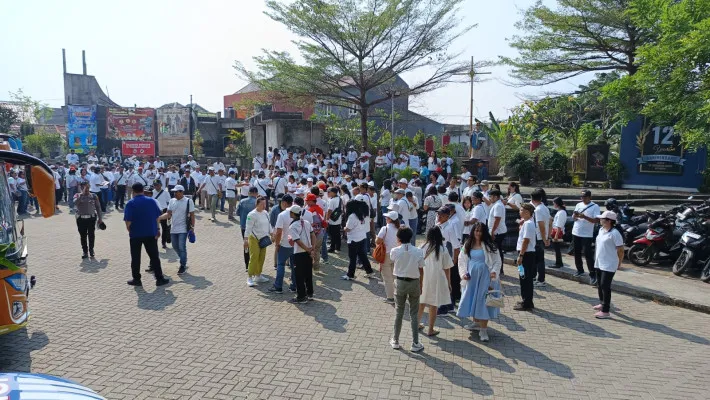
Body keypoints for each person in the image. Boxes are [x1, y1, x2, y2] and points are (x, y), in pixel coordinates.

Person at [457, 222, 502, 342]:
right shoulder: (468, 244)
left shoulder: (490, 245)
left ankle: (483, 330)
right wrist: (463, 273)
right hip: (472, 278)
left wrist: (494, 272)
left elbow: (497, 261)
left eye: (480, 231)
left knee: (483, 302)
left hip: (485, 278)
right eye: (476, 230)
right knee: (473, 300)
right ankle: (476, 323)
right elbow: (461, 260)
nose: (478, 233)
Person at [124, 183, 170, 287]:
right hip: (150, 233)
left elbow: (128, 221)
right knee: (154, 257)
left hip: (135, 234)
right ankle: (159, 279)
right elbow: (158, 216)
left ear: (133, 191)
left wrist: (129, 229)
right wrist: (157, 229)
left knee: (135, 257)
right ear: (142, 190)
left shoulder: (130, 203)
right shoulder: (152, 201)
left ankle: (136, 279)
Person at [389, 227, 425, 352]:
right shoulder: (418, 251)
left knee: (399, 312)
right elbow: (421, 268)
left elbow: (393, 260)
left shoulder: (394, 251)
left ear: (398, 238)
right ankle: (415, 342)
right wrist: (421, 284)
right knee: (414, 313)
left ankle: (395, 340)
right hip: (414, 282)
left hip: (400, 282)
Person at [417, 226, 453, 337]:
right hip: (437, 279)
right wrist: (449, 283)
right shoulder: (442, 249)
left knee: (421, 302)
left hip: (423, 278)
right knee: (434, 304)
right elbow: (447, 268)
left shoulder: (421, 247)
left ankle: (416, 324)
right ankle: (430, 329)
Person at [593, 210, 624, 319]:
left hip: (609, 264)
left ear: (609, 221)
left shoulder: (615, 233)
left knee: (605, 286)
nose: (600, 220)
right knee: (600, 285)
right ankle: (602, 303)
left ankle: (606, 311)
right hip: (599, 262)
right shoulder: (601, 230)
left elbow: (620, 250)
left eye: (602, 219)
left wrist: (619, 263)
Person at [162, 185, 195, 274]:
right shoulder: (172, 201)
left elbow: (192, 215)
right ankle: (183, 258)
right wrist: (159, 218)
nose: (175, 193)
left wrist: (192, 227)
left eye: (176, 192)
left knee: (182, 247)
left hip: (183, 229)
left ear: (181, 192)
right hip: (173, 228)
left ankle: (183, 265)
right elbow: (168, 214)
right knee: (175, 246)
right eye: (174, 192)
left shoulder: (188, 201)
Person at [287, 205, 315, 303]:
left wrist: (307, 249)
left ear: (293, 214)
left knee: (299, 275)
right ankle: (310, 293)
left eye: (290, 212)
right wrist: (312, 248)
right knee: (308, 274)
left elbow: (298, 241)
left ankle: (301, 297)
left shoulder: (293, 226)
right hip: (308, 252)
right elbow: (313, 235)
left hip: (299, 253)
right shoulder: (306, 222)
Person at [572, 190, 600, 285]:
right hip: (576, 232)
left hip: (586, 234)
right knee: (576, 252)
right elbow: (573, 217)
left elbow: (596, 220)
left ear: (589, 197)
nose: (582, 198)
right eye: (581, 197)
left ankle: (593, 274)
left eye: (585, 197)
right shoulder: (578, 205)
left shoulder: (595, 206)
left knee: (588, 254)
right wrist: (575, 216)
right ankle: (580, 270)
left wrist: (584, 217)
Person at [342, 200, 375, 281]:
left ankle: (350, 275)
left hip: (354, 239)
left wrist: (344, 228)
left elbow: (348, 229)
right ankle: (370, 272)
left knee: (352, 258)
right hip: (362, 237)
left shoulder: (352, 216)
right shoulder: (361, 214)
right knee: (363, 256)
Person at [270, 195, 296, 293]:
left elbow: (279, 232)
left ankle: (278, 286)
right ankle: (294, 286)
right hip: (295, 244)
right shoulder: (298, 213)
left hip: (284, 244)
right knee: (294, 266)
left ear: (284, 203)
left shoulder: (282, 215)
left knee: (280, 264)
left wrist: (277, 244)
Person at [245, 196, 273, 287]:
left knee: (262, 257)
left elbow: (269, 224)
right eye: (262, 204)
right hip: (254, 239)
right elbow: (248, 228)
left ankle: (258, 275)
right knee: (254, 257)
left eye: (265, 204)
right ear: (256, 204)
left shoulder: (265, 213)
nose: (264, 206)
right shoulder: (251, 214)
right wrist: (245, 240)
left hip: (264, 239)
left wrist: (272, 233)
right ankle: (249, 277)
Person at [515, 203, 536, 311]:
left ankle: (527, 302)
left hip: (527, 254)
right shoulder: (527, 223)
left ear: (527, 212)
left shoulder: (528, 224)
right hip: (526, 253)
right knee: (524, 278)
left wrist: (521, 255)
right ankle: (526, 300)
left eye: (522, 210)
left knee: (525, 279)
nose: (520, 211)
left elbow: (526, 240)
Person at [73, 182, 103, 259]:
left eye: (87, 188)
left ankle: (91, 250)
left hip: (91, 219)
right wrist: (81, 195)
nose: (86, 190)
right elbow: (75, 203)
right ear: (81, 188)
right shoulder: (77, 195)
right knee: (83, 236)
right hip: (81, 219)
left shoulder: (94, 196)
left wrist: (100, 218)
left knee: (91, 235)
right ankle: (85, 251)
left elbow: (98, 207)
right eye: (84, 188)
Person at [376, 211, 400, 304]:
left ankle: (390, 298)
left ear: (390, 219)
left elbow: (378, 241)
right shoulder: (400, 228)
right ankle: (398, 295)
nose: (386, 219)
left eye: (387, 218)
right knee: (396, 276)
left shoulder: (384, 228)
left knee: (387, 277)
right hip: (397, 255)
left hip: (386, 255)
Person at [531, 189, 551, 287]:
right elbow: (550, 222)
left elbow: (541, 226)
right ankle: (535, 276)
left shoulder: (538, 209)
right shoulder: (544, 207)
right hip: (541, 237)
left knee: (539, 260)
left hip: (539, 237)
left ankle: (541, 279)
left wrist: (544, 239)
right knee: (536, 259)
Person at [487, 189, 507, 275]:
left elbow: (497, 219)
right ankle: (498, 268)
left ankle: (499, 269)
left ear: (496, 197)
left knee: (496, 251)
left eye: (491, 196)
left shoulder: (498, 205)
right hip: (497, 231)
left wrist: (492, 231)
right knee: (496, 250)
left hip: (497, 232)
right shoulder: (497, 204)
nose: (490, 198)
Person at [152, 181, 172, 249]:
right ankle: (154, 242)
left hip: (163, 211)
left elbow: (169, 203)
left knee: (165, 228)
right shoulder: (152, 192)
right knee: (155, 228)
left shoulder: (166, 192)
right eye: (155, 185)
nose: (156, 186)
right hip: (154, 212)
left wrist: (169, 213)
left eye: (157, 185)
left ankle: (163, 243)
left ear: (161, 185)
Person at [550, 197, 567, 268]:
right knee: (556, 248)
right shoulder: (560, 211)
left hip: (557, 231)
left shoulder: (561, 212)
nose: (553, 204)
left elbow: (559, 225)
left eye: (554, 203)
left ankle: (558, 263)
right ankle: (558, 262)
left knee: (557, 249)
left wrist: (556, 235)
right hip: (556, 230)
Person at [326, 187, 343, 253]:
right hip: (338, 218)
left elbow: (329, 210)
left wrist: (327, 219)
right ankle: (338, 247)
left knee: (332, 234)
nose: (328, 193)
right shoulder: (339, 198)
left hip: (332, 220)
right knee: (338, 234)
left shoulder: (332, 200)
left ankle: (332, 248)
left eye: (329, 192)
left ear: (334, 193)